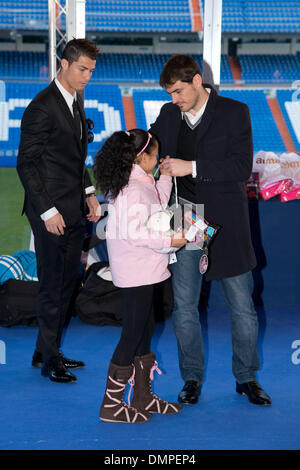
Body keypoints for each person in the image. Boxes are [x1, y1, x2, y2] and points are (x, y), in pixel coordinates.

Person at [150, 54, 271, 406]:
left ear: (197, 80)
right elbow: (149, 149)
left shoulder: (235, 112)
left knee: (243, 309)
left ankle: (246, 377)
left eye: (178, 92)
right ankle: (191, 378)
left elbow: (240, 167)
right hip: (182, 219)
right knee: (184, 308)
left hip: (226, 223)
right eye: (170, 94)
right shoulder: (168, 114)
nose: (174, 100)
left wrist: (191, 167)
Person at [17, 38, 101, 383]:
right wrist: (48, 210)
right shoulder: (42, 106)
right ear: (63, 64)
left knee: (67, 281)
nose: (87, 76)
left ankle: (44, 349)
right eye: (82, 69)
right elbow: (27, 164)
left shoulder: (73, 102)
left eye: (91, 71)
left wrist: (90, 192)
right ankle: (50, 359)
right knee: (53, 284)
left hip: (73, 207)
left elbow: (75, 157)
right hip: (50, 212)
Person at [94, 129, 186, 423]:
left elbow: (156, 201)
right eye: (155, 156)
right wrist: (170, 241)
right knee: (132, 334)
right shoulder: (132, 189)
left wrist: (166, 175)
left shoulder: (139, 182)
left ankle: (143, 397)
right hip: (136, 271)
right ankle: (111, 405)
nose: (157, 159)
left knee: (144, 331)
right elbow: (135, 232)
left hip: (145, 269)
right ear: (141, 157)